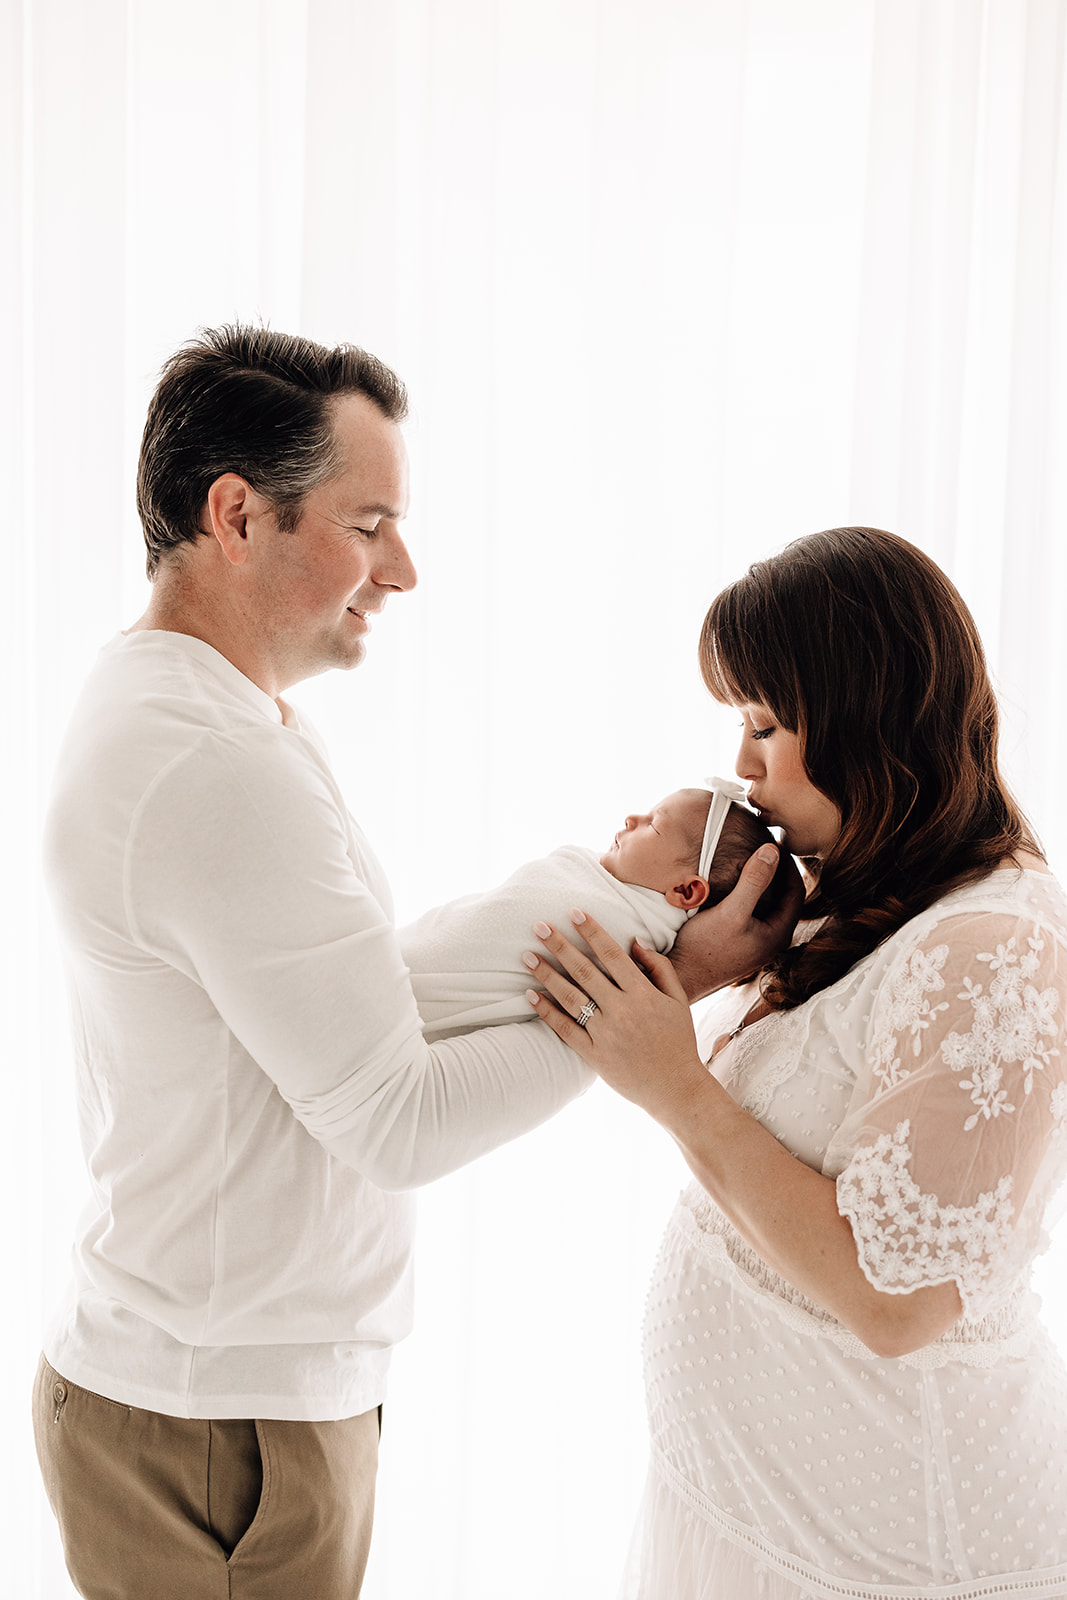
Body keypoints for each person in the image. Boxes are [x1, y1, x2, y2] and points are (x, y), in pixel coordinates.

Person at [32, 324, 796, 1600]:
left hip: (210, 1392)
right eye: (369, 521)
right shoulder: (220, 766)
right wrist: (663, 993)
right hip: (225, 1432)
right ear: (236, 513)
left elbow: (351, 1013)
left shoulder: (197, 713)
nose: (404, 570)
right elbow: (392, 1120)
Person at [525, 527, 1067, 1598]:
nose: (741, 765)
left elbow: (896, 1301)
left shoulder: (992, 948)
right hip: (761, 1520)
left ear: (870, 718)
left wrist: (676, 1087)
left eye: (765, 723)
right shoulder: (879, 894)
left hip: (878, 1548)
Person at [402, 783, 793, 1042]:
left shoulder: (628, 936)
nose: (631, 819)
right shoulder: (597, 878)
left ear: (686, 890)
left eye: (653, 826)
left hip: (409, 996)